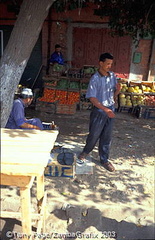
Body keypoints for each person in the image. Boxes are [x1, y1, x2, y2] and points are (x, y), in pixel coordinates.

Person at [78, 53, 121, 172]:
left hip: (110, 109)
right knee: (94, 134)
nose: (109, 66)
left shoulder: (112, 76)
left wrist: (117, 91)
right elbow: (92, 98)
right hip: (99, 111)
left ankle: (104, 160)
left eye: (111, 64)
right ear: (101, 63)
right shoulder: (95, 79)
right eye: (107, 64)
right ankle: (85, 152)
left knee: (107, 136)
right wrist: (105, 109)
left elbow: (113, 94)